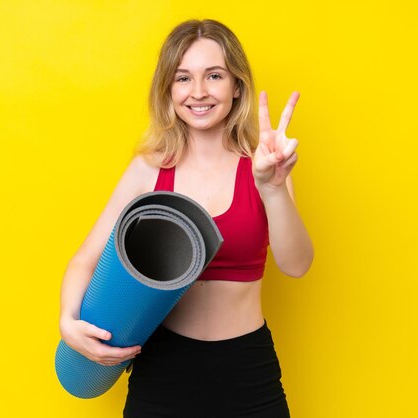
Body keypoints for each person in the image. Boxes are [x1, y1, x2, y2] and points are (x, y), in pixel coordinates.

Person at [59, 19, 314, 418]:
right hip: (163, 370)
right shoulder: (150, 168)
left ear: (237, 86)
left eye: (214, 75)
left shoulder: (265, 167)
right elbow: (84, 262)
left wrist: (274, 187)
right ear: (168, 89)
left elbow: (296, 265)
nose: (198, 92)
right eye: (183, 78)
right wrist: (67, 322)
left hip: (247, 368)